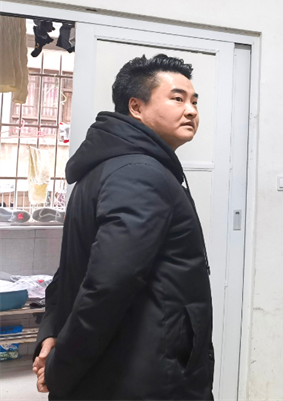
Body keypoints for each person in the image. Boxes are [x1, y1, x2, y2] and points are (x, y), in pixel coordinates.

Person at [32, 54, 214, 400]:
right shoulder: (139, 173)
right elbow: (107, 284)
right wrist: (61, 366)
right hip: (144, 374)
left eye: (194, 101)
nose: (191, 110)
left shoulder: (110, 165)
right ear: (136, 107)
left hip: (121, 367)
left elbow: (76, 270)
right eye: (177, 99)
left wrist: (52, 332)